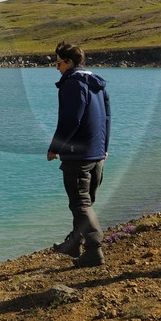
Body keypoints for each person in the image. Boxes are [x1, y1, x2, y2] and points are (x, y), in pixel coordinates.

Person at [46, 41, 112, 268]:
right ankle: (74, 242)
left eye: (59, 63)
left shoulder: (72, 84)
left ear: (70, 62)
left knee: (81, 204)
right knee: (85, 201)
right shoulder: (97, 83)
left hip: (78, 156)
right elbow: (107, 118)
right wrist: (104, 147)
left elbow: (70, 120)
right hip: (96, 155)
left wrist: (55, 147)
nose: (57, 68)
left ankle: (94, 251)